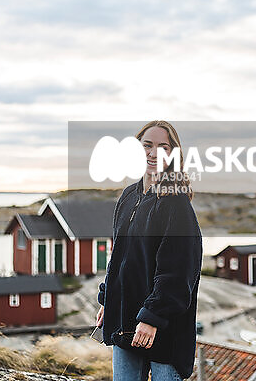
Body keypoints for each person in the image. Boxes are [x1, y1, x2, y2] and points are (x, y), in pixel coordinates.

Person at [96, 120, 203, 381]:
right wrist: (109, 300)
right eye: (147, 145)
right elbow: (119, 257)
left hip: (164, 330)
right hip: (126, 323)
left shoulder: (176, 203)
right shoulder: (128, 196)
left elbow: (178, 273)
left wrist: (152, 318)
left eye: (163, 147)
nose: (154, 153)